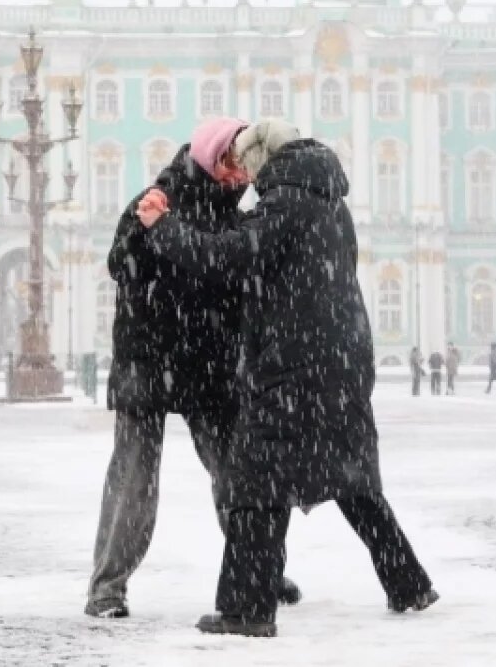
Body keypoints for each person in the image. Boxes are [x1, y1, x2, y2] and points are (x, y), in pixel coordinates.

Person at [138, 120, 437, 637]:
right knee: (354, 479)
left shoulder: (287, 202)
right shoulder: (330, 203)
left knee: (256, 484)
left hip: (293, 365)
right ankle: (408, 582)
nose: (244, 176)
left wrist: (162, 229)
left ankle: (246, 609)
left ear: (263, 159)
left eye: (245, 164)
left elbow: (228, 258)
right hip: (340, 360)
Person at [86, 116, 301, 620]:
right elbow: (120, 265)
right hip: (149, 360)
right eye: (232, 164)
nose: (240, 175)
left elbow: (231, 278)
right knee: (134, 481)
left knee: (235, 475)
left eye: (244, 166)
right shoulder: (156, 196)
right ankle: (107, 588)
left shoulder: (238, 216)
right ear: (209, 158)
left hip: (210, 367)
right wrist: (141, 233)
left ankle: (260, 569)